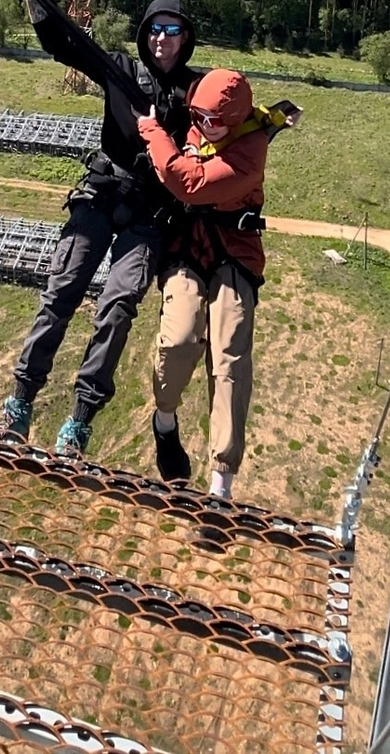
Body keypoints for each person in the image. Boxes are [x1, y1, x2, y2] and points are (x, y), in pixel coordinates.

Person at [0, 0, 201, 457]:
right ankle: (20, 403)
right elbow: (65, 42)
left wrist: (271, 121)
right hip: (102, 197)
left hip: (149, 215)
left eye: (172, 31)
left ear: (184, 39)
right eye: (154, 30)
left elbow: (230, 113)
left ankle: (80, 422)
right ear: (144, 34)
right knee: (61, 293)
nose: (161, 39)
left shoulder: (195, 92)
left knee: (118, 309)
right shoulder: (121, 71)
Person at [136, 68, 270, 502]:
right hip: (189, 245)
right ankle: (165, 419)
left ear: (235, 118)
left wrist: (153, 131)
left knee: (229, 353)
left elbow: (190, 183)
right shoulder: (203, 122)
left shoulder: (250, 150)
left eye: (211, 119)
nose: (201, 123)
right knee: (177, 340)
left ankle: (221, 481)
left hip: (234, 250)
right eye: (197, 115)